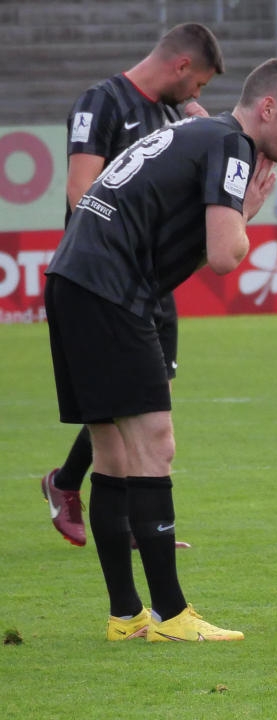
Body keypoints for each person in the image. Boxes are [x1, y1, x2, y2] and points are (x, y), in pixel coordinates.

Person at [44, 57, 277, 641]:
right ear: (267, 107)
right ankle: (172, 616)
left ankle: (126, 618)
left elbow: (189, 247)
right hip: (109, 290)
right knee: (155, 443)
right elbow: (225, 255)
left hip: (73, 279)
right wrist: (245, 218)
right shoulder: (233, 144)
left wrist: (229, 225)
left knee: (113, 453)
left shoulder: (198, 130)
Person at [41, 23, 224, 549]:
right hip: (105, 281)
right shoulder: (101, 102)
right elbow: (82, 192)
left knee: (150, 400)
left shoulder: (171, 115)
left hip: (150, 283)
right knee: (121, 411)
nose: (197, 97)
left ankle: (88, 494)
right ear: (182, 66)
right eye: (200, 85)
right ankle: (113, 521)